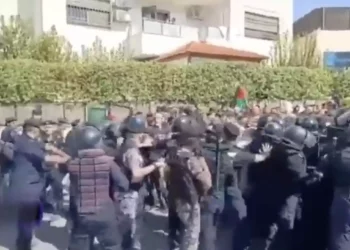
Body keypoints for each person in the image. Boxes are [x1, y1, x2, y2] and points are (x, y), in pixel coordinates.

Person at [9, 118, 70, 250]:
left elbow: (48, 147)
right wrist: (65, 159)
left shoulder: (30, 141)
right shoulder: (25, 144)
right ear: (34, 130)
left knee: (31, 217)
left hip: (32, 186)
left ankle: (27, 241)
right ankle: (23, 246)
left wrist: (63, 154)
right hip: (26, 187)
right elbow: (47, 158)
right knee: (26, 220)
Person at [67, 125, 129, 250]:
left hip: (82, 212)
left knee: (80, 245)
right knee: (112, 245)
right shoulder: (108, 162)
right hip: (105, 211)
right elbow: (124, 184)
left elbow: (73, 188)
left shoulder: (72, 164)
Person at [118, 115, 166, 250]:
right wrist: (155, 165)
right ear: (140, 133)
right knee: (130, 224)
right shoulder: (132, 151)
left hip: (129, 190)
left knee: (132, 223)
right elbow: (136, 173)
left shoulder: (126, 143)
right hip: (130, 191)